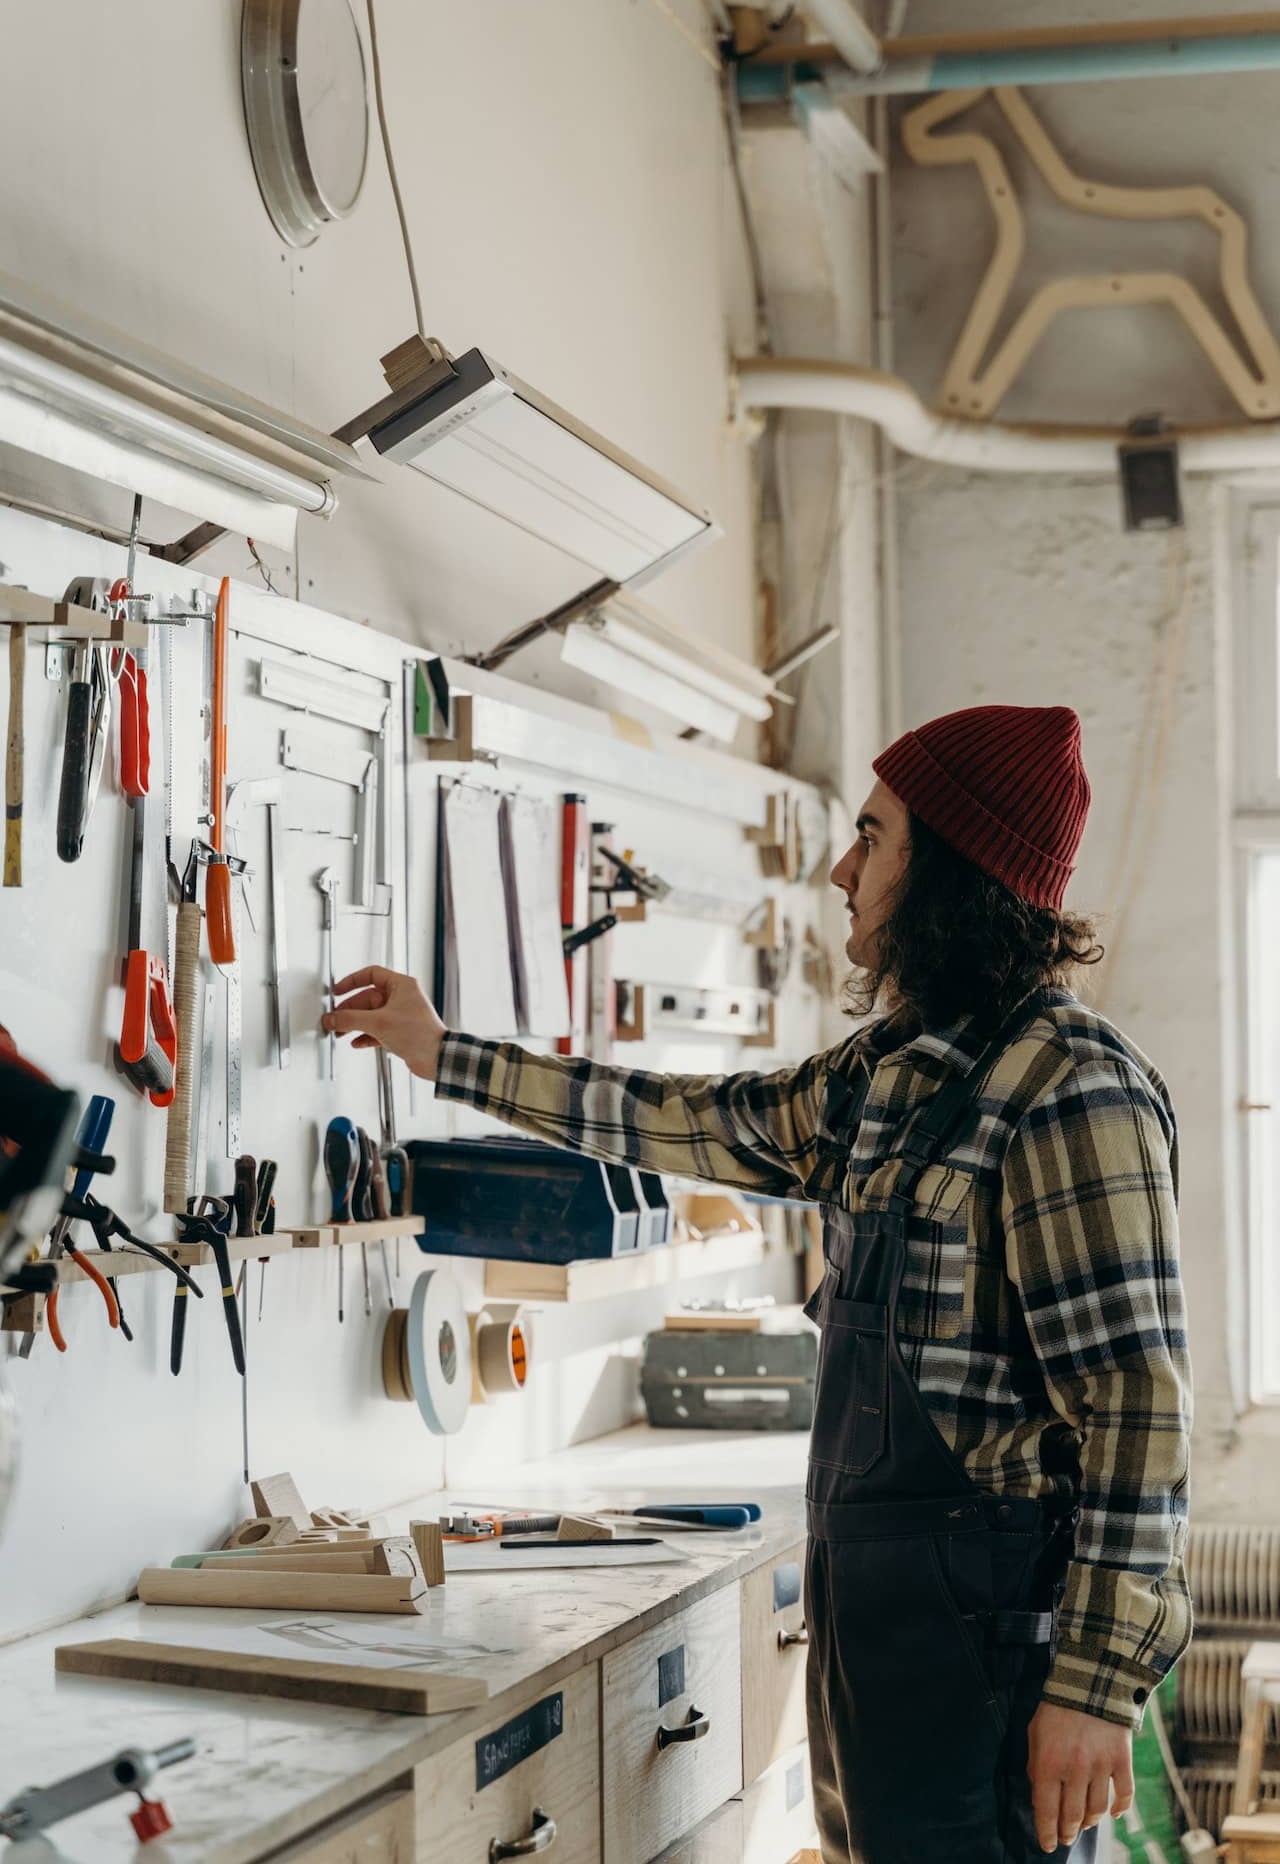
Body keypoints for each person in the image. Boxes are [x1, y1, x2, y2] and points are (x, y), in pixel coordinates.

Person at [323, 703, 1192, 1864]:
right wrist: (445, 1054)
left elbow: (1134, 1407)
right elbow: (680, 1122)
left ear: (949, 872)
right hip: (874, 1632)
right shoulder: (886, 1078)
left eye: (873, 838)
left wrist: (1091, 1689)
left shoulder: (1068, 1088)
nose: (841, 870)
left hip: (985, 1656)